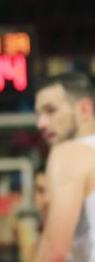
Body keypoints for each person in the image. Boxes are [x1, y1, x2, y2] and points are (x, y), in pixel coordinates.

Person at [34, 72, 95, 261]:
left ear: (84, 109)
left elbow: (54, 253)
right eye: (39, 114)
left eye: (51, 111)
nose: (41, 124)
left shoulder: (68, 152)